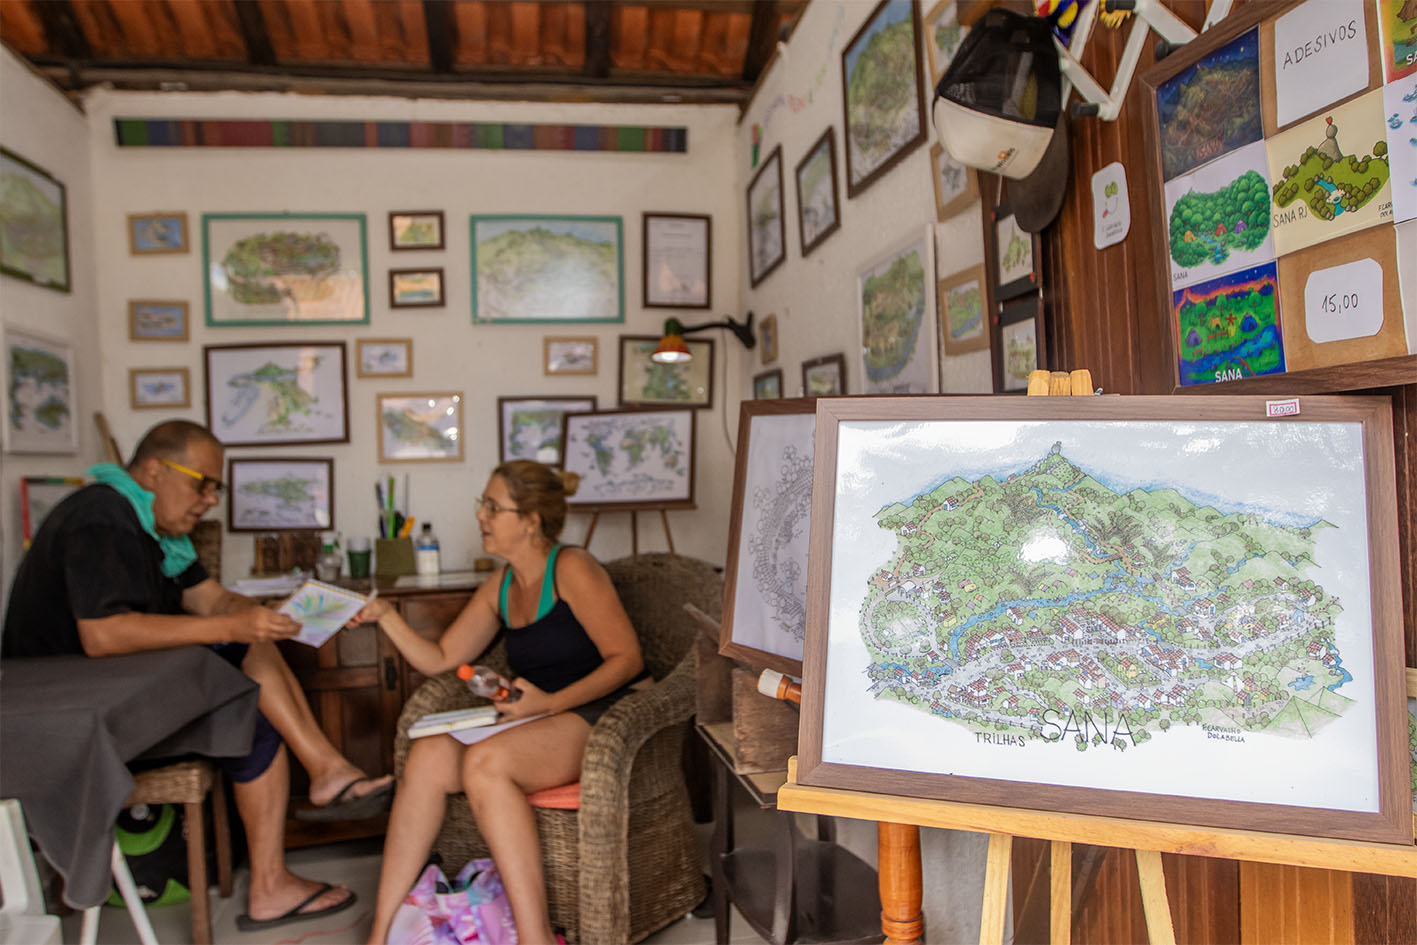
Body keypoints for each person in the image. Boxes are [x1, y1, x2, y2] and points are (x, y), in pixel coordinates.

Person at [2, 419, 393, 931]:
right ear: (153, 472)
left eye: (216, 489)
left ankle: (322, 780)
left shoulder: (159, 533)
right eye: (202, 484)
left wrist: (263, 614)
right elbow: (104, 634)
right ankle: (304, 819)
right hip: (64, 718)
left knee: (249, 684)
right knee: (246, 703)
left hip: (115, 695)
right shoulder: (101, 515)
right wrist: (236, 625)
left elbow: (210, 600)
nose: (210, 500)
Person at [356, 460, 648, 945]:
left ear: (531, 520)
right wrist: (385, 615)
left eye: (494, 507)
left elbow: (627, 659)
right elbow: (440, 657)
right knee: (426, 757)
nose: (480, 516)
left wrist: (550, 703)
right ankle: (380, 934)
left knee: (485, 763)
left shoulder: (573, 568)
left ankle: (535, 938)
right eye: (483, 505)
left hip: (607, 709)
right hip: (543, 714)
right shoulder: (502, 585)